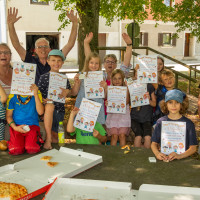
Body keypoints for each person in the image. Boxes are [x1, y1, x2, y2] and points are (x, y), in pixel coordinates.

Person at [7, 7, 78, 84]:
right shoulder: (30, 60)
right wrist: (11, 25)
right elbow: (16, 45)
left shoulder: (55, 58)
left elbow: (70, 44)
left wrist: (74, 23)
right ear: (35, 50)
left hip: (52, 94)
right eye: (40, 47)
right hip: (36, 95)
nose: (43, 49)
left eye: (45, 46)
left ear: (50, 49)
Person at [84, 32, 132, 117]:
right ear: (103, 64)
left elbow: (126, 62)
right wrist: (86, 43)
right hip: (102, 108)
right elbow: (89, 59)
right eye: (108, 62)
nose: (110, 64)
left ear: (116, 64)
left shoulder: (119, 74)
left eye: (113, 62)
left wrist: (129, 44)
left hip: (117, 109)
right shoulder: (99, 75)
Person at [38, 49, 76, 150]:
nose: (56, 63)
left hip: (60, 110)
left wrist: (67, 92)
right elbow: (39, 94)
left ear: (62, 63)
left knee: (56, 136)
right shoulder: (43, 77)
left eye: (59, 61)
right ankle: (48, 140)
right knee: (51, 133)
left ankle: (53, 151)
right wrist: (43, 100)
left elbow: (70, 92)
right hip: (47, 111)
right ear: (48, 61)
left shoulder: (64, 78)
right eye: (53, 60)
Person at [151, 89, 198, 161]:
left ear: (182, 104)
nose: (173, 105)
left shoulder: (189, 124)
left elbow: (193, 148)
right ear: (165, 104)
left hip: (183, 161)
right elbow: (153, 143)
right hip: (164, 159)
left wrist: (179, 156)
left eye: (177, 102)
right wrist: (157, 153)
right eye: (170, 102)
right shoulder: (160, 122)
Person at [6, 84, 44, 155]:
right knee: (15, 150)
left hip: (32, 126)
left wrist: (35, 95)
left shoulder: (37, 92)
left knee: (32, 149)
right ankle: (14, 142)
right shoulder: (13, 95)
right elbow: (8, 116)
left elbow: (41, 112)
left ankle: (35, 140)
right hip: (17, 126)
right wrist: (15, 127)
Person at [72, 52, 107, 125]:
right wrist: (76, 83)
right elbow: (75, 92)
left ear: (99, 64)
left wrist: (105, 87)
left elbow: (104, 96)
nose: (94, 65)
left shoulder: (102, 76)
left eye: (96, 63)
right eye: (91, 62)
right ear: (87, 63)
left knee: (96, 127)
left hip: (96, 105)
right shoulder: (81, 75)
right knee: (82, 126)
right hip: (83, 104)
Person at [131, 68, 156, 148]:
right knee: (138, 136)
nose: (139, 75)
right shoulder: (132, 86)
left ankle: (146, 157)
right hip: (134, 118)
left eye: (141, 73)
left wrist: (148, 100)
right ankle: (137, 157)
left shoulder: (149, 86)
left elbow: (154, 104)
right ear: (134, 75)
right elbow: (126, 101)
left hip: (147, 118)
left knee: (148, 137)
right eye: (137, 74)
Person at [105, 69, 131, 146]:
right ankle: (112, 155)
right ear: (111, 80)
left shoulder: (125, 89)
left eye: (119, 78)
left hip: (123, 117)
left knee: (122, 135)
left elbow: (126, 102)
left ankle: (122, 155)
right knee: (114, 136)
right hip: (113, 117)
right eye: (115, 79)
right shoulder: (110, 89)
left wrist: (126, 88)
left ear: (123, 79)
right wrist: (107, 103)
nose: (117, 81)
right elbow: (106, 98)